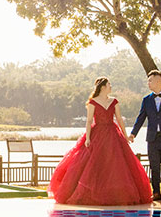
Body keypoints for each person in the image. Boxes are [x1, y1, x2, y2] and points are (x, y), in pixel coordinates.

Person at [48, 77, 154, 206]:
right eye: (109, 84)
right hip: (97, 134)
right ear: (103, 86)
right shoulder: (92, 102)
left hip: (112, 134)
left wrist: (125, 136)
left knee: (115, 165)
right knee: (95, 164)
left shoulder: (114, 101)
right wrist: (87, 138)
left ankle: (115, 193)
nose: (111, 86)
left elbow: (119, 119)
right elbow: (88, 121)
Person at [129, 69, 161, 203]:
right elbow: (141, 118)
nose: (148, 83)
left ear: (158, 81)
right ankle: (156, 192)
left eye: (150, 80)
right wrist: (133, 133)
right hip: (152, 138)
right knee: (154, 166)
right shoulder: (146, 100)